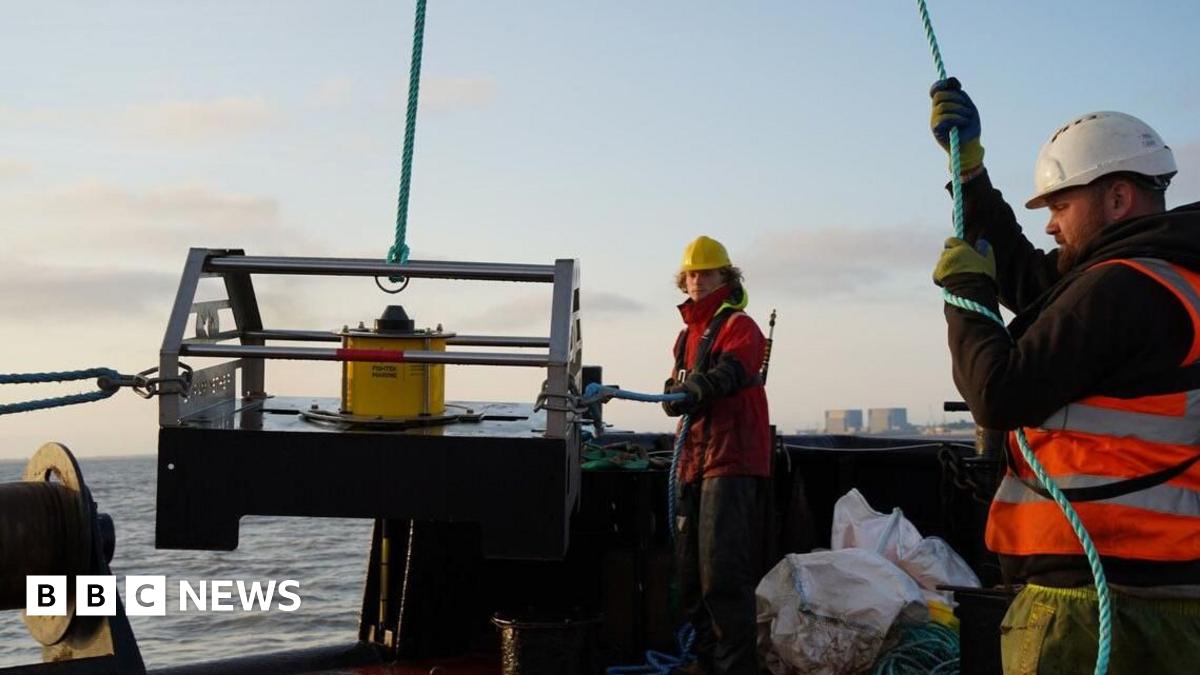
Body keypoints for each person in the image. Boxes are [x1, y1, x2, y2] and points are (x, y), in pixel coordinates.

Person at [929, 77, 1200, 673]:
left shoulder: (1125, 286)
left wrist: (964, 292)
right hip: (1170, 594)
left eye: (1059, 206)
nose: (1051, 226)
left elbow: (999, 394)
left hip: (1099, 600)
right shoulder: (1169, 276)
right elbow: (1033, 281)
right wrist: (969, 172)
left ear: (1118, 198)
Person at [663, 235, 770, 675]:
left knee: (723, 580)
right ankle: (705, 664)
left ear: (726, 277)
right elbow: (675, 389)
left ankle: (733, 670)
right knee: (691, 580)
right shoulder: (685, 336)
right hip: (694, 463)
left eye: (706, 272)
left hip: (731, 461)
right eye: (691, 273)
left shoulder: (740, 327)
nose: (697, 280)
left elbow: (732, 371)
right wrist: (676, 395)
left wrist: (697, 389)